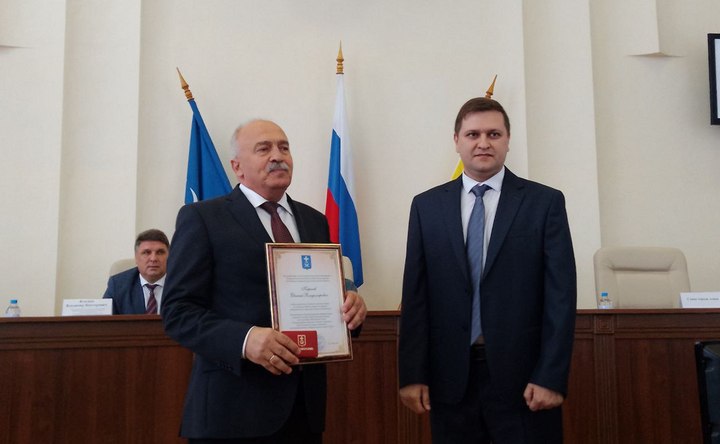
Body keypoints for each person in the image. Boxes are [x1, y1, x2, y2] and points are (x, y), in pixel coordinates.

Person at [162, 119, 367, 444]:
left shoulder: (315, 221)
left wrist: (350, 310)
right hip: (232, 411)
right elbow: (178, 312)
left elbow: (324, 300)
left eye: (284, 147)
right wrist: (245, 340)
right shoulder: (203, 218)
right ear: (237, 167)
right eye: (264, 149)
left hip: (304, 411)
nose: (277, 156)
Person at [398, 97, 577, 443]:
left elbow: (561, 296)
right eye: (473, 134)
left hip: (525, 382)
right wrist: (411, 374)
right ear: (456, 141)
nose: (483, 143)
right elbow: (415, 296)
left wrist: (551, 376)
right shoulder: (426, 206)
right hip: (450, 382)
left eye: (494, 134)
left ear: (508, 140)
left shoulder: (544, 203)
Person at [102, 228, 169, 315]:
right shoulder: (118, 285)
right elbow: (104, 321)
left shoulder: (182, 284)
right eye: (146, 252)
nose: (153, 259)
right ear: (136, 258)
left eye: (160, 252)